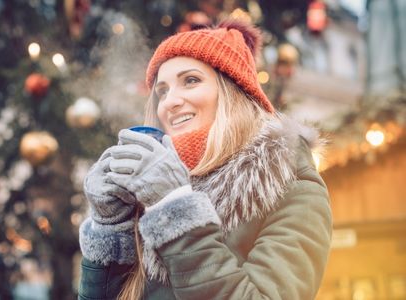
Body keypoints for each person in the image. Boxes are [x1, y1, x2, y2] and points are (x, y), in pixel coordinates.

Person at [78, 19, 332, 300]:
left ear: (232, 91)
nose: (170, 102)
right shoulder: (147, 192)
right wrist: (110, 227)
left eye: (190, 80)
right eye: (162, 91)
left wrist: (175, 209)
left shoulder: (291, 184)